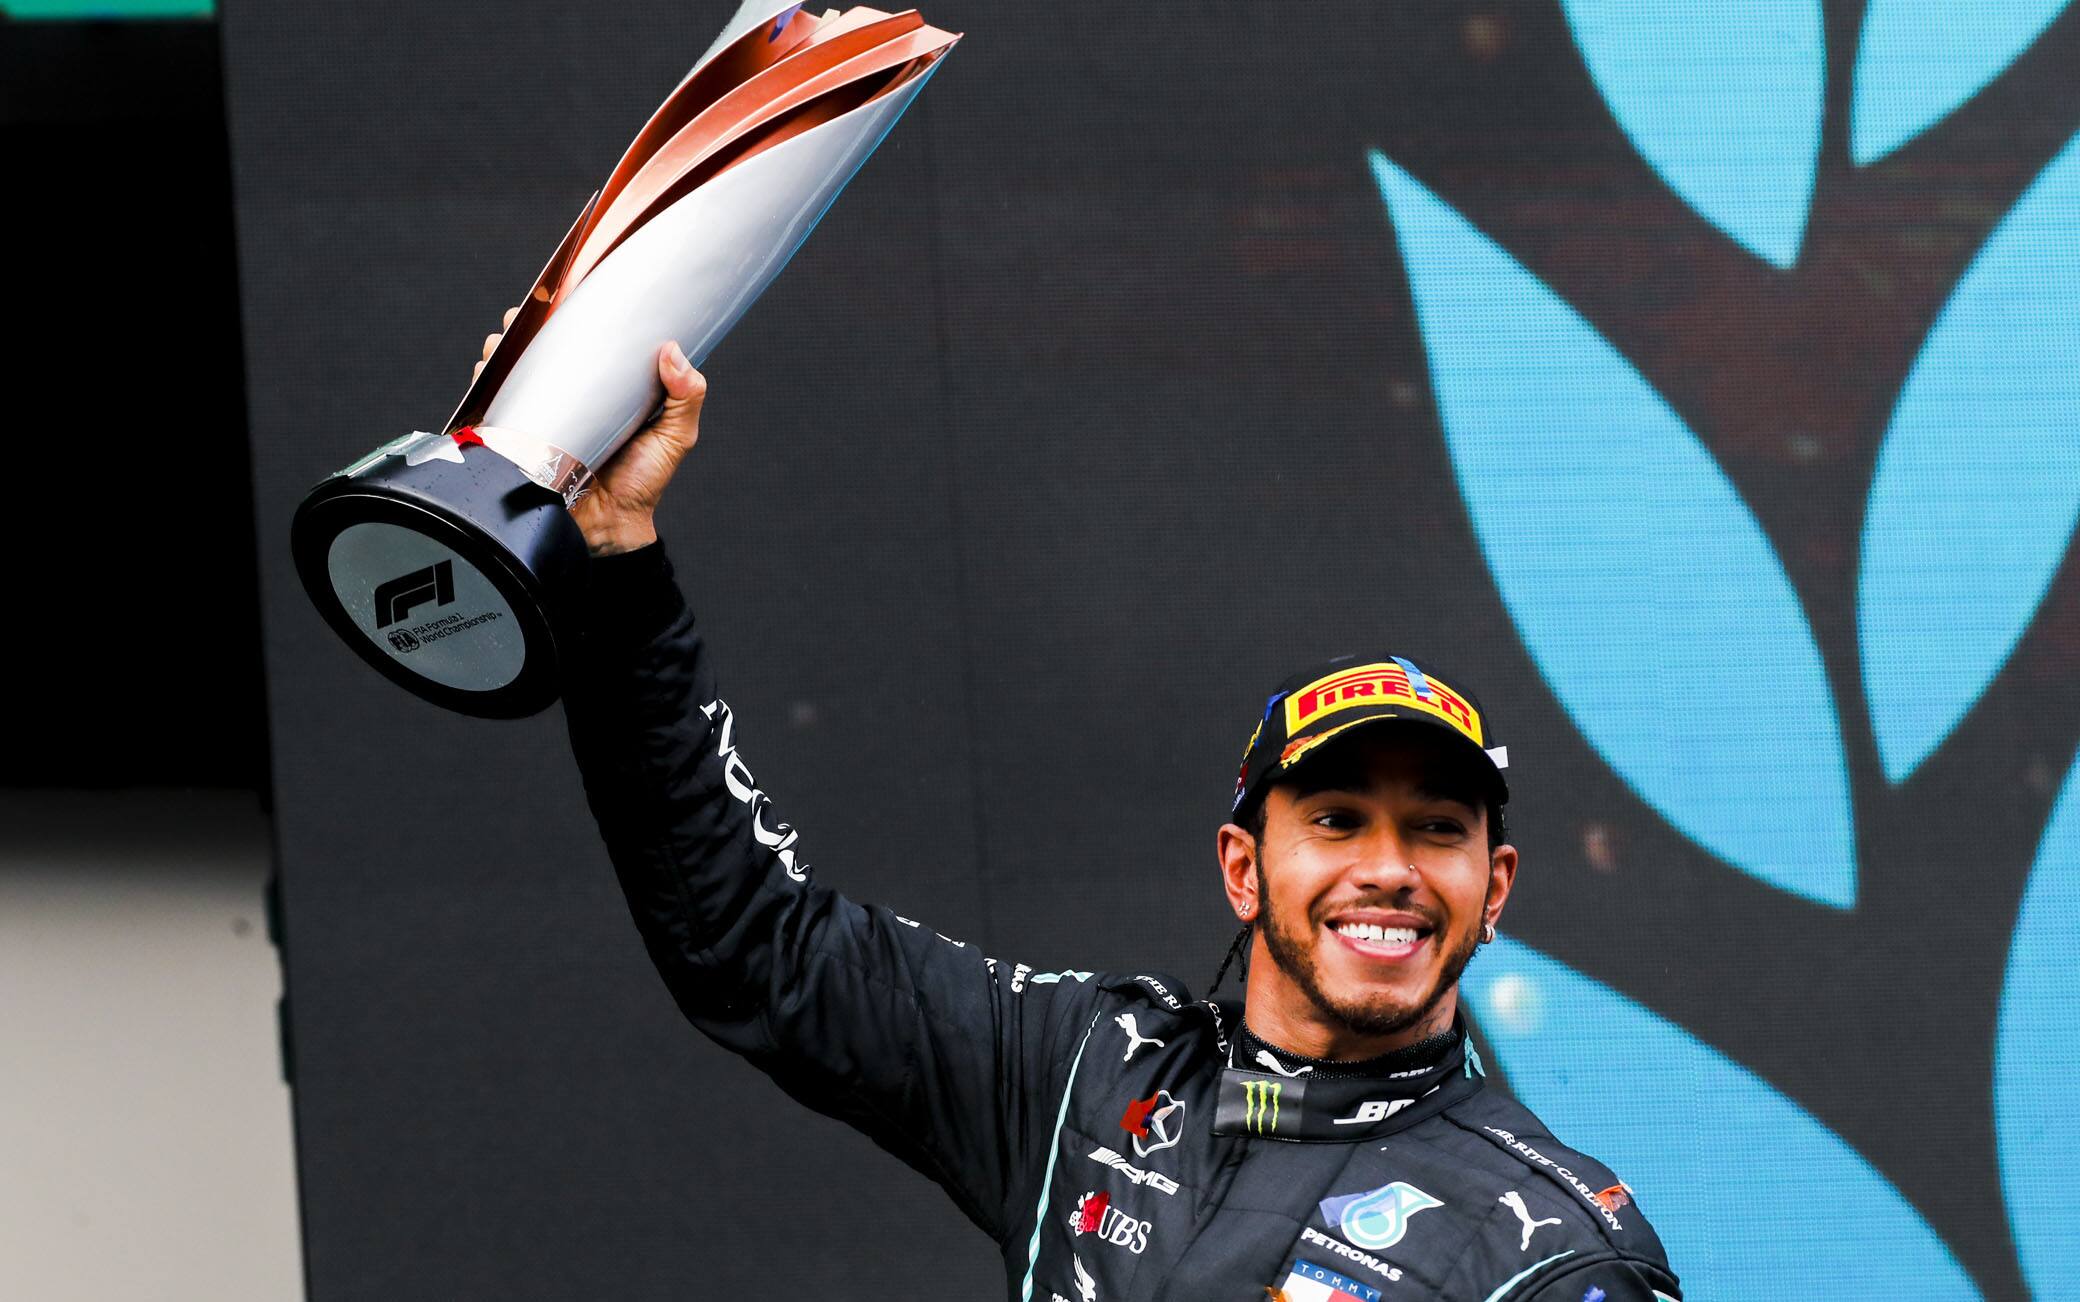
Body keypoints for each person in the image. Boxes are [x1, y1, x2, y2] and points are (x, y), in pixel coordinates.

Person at [503, 319, 1682, 1300]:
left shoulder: (1554, 1252)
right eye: (1335, 820)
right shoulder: (1090, 1073)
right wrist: (616, 558)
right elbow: (756, 948)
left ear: (1494, 889)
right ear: (1242, 868)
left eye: (1437, 828)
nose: (1389, 868)